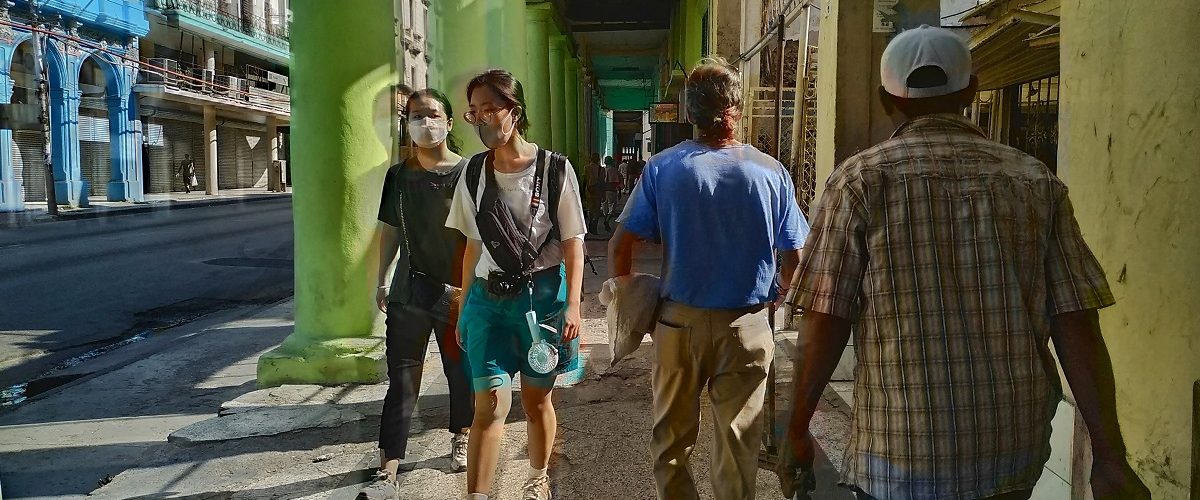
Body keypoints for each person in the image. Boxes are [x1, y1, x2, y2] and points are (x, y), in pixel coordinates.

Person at [778, 25, 1151, 500]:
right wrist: (1110, 456)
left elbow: (825, 320)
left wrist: (797, 430)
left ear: (886, 99)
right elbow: (1076, 321)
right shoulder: (1035, 181)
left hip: (898, 455)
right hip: (1010, 453)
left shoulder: (859, 182)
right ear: (971, 91)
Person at [609, 57, 810, 500]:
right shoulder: (771, 172)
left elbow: (620, 246)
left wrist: (630, 298)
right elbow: (795, 256)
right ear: (737, 108)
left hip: (678, 324)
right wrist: (779, 296)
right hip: (747, 325)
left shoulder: (663, 168)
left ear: (688, 112)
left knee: (671, 442)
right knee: (738, 445)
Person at [446, 69, 587, 500]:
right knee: (488, 404)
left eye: (490, 109)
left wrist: (574, 304)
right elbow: (472, 246)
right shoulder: (473, 173)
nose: (482, 120)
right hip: (488, 301)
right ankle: (477, 495)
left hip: (541, 301)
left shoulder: (555, 169)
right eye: (474, 112)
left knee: (536, 400)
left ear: (515, 111)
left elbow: (573, 243)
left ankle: (537, 477)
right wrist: (464, 305)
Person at [359, 89, 475, 500]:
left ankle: (462, 435)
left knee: (460, 372)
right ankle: (388, 464)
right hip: (408, 293)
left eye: (432, 114)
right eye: (415, 116)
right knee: (402, 380)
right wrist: (381, 280)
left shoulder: (469, 172)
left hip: (456, 293)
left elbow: (478, 237)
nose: (425, 123)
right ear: (406, 124)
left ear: (449, 121)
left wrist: (475, 291)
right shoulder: (398, 176)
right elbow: (390, 229)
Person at [583, 153, 605, 234]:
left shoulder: (586, 167)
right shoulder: (601, 169)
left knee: (590, 209)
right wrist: (603, 194)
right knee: (597, 210)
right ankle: (594, 226)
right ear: (598, 159)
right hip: (597, 191)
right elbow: (602, 182)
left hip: (588, 190)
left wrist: (583, 192)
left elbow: (584, 180)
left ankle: (590, 222)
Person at [602, 156, 623, 231]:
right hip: (612, 191)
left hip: (604, 191)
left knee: (605, 208)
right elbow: (618, 182)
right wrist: (619, 192)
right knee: (612, 208)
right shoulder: (614, 170)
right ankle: (606, 221)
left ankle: (606, 220)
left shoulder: (603, 170)